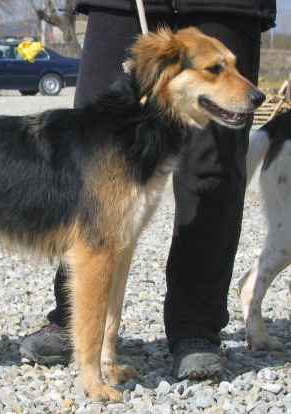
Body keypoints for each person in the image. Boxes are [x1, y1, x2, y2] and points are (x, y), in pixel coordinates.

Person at [20, 0, 277, 379]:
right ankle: (74, 317)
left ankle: (197, 325)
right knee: (91, 142)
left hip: (226, 4)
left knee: (213, 169)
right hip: (121, 4)